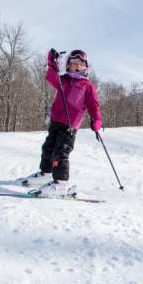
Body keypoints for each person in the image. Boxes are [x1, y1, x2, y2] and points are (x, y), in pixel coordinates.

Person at [24, 49, 102, 196]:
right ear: (68, 65)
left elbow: (94, 105)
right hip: (56, 121)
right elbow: (51, 77)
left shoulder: (87, 86)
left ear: (86, 67)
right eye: (74, 63)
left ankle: (61, 183)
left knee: (60, 152)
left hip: (70, 125)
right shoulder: (63, 80)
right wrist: (52, 64)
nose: (77, 66)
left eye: (80, 64)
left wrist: (97, 119)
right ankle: (46, 173)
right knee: (48, 148)